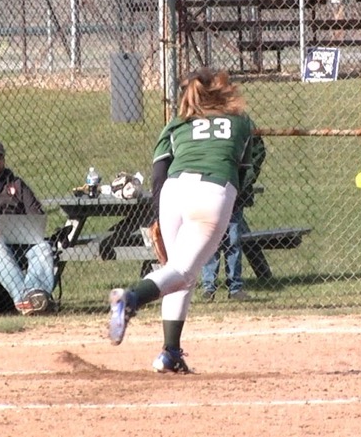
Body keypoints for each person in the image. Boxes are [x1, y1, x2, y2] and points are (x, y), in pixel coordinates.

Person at [107, 68, 257, 373]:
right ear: (222, 92)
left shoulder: (176, 124)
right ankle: (131, 299)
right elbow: (246, 170)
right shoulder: (241, 122)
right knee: (181, 271)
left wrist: (157, 215)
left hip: (173, 191)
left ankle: (170, 353)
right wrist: (237, 196)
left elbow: (159, 173)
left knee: (178, 274)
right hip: (212, 191)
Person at [0, 139, 55, 315]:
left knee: (43, 248)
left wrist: (28, 228)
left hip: (21, 240)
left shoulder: (15, 183)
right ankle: (24, 300)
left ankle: (35, 296)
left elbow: (36, 213)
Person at [199, 133, 266, 301]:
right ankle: (209, 287)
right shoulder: (205, 121)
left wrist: (243, 182)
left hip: (236, 190)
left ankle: (235, 287)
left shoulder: (241, 122)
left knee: (233, 240)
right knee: (209, 238)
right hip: (209, 188)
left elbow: (257, 152)